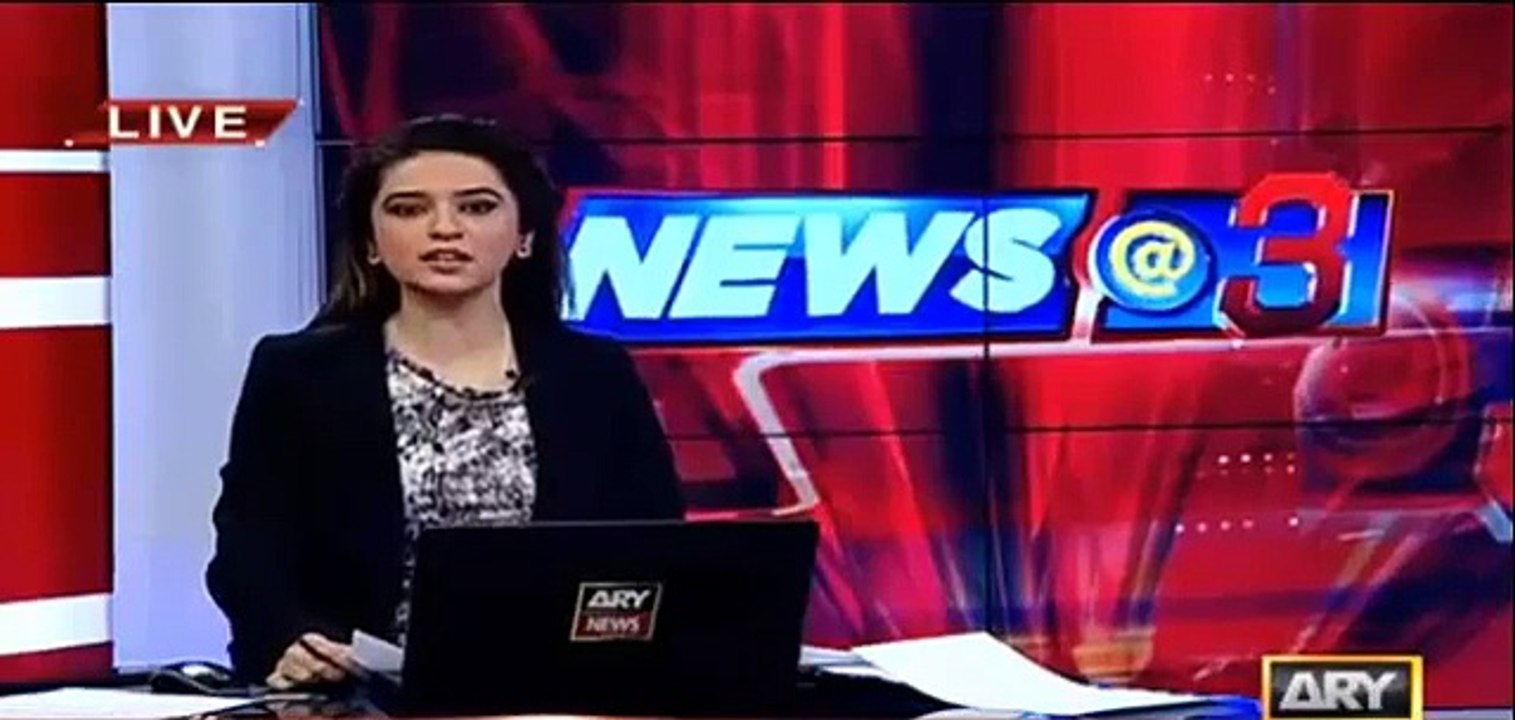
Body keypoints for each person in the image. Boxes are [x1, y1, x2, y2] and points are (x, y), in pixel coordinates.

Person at [205, 114, 686, 689]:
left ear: (525, 235)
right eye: (409, 209)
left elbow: (656, 546)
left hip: (564, 690)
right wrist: (294, 640)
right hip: (359, 692)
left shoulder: (595, 375)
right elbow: (249, 548)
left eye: (477, 207)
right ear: (370, 242)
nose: (444, 229)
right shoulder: (299, 373)